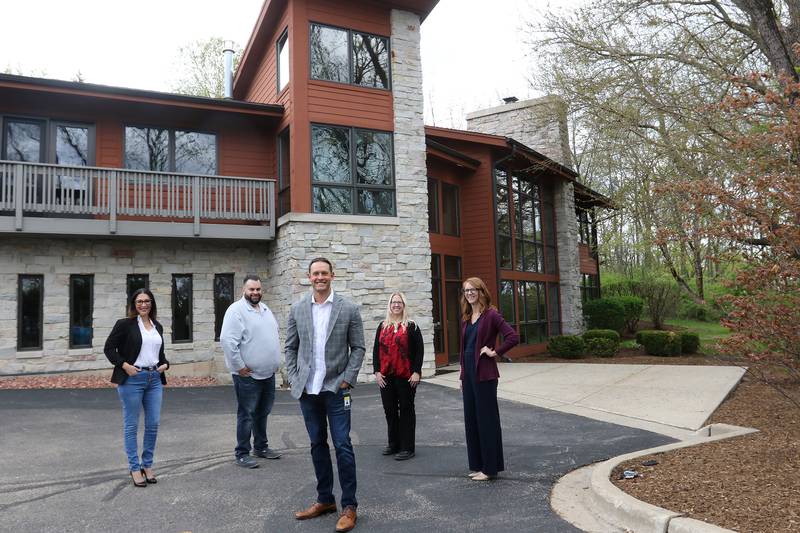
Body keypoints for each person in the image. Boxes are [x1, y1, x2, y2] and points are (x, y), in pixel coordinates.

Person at [285, 257, 365, 533]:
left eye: (324, 273)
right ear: (309, 277)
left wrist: (347, 379)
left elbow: (358, 348)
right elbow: (290, 347)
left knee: (342, 444)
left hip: (336, 389)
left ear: (332, 276)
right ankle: (325, 500)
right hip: (308, 390)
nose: (320, 277)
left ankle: (349, 506)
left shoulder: (348, 308)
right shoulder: (297, 309)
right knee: (317, 444)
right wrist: (294, 376)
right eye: (315, 273)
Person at [104, 288, 169, 487]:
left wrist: (165, 364)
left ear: (152, 304)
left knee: (153, 424)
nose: (143, 304)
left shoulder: (157, 325)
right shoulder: (125, 325)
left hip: (154, 380)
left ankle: (147, 465)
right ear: (134, 304)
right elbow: (109, 349)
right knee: (131, 425)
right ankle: (134, 468)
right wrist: (125, 366)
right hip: (133, 379)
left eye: (147, 301)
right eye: (139, 301)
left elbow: (159, 353)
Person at [459, 277, 519, 481]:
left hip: (485, 374)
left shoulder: (491, 314)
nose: (469, 293)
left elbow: (513, 336)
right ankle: (477, 464)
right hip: (468, 374)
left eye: (473, 289)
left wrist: (496, 352)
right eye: (466, 290)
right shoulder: (467, 317)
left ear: (481, 291)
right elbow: (464, 349)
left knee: (486, 421)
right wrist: (462, 375)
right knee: (471, 420)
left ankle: (490, 468)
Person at [220, 274, 283, 468]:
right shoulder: (236, 310)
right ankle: (242, 453)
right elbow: (227, 341)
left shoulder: (265, 309)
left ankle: (261, 447)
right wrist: (239, 366)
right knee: (246, 414)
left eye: (258, 289)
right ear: (243, 291)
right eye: (251, 289)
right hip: (247, 375)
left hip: (267, 373)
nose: (255, 293)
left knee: (262, 412)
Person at [372, 292, 423, 460]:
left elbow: (419, 351)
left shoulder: (411, 326)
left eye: (399, 302)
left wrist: (416, 372)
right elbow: (376, 350)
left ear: (404, 304)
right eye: (393, 302)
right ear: (389, 304)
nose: (396, 305)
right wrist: (377, 372)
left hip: (406, 376)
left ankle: (407, 448)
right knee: (390, 411)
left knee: (406, 411)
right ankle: (393, 444)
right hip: (386, 376)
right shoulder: (382, 326)